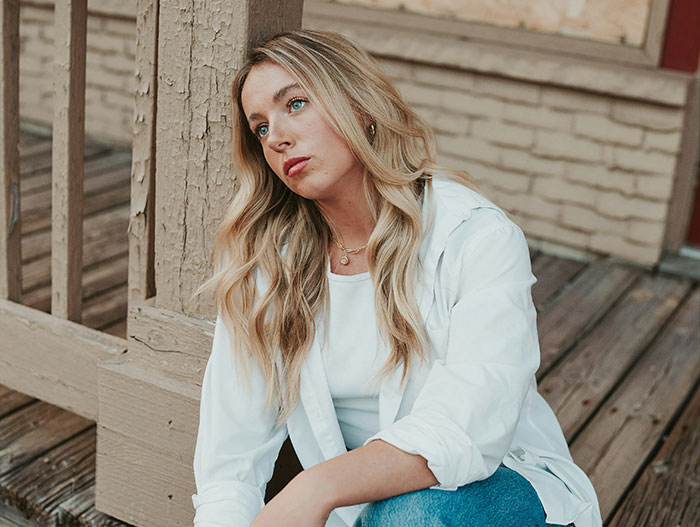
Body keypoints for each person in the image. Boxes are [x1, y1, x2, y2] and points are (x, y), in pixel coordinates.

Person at [191, 29, 602, 527]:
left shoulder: (474, 236)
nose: (276, 137)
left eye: (295, 104)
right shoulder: (268, 271)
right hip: (374, 511)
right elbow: (228, 465)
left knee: (415, 514)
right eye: (260, 128)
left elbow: (467, 425)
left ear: (360, 107)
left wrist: (317, 486)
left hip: (497, 488)